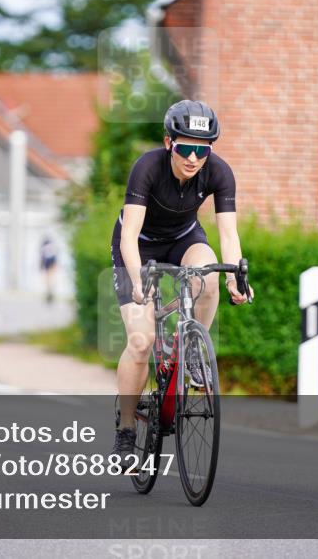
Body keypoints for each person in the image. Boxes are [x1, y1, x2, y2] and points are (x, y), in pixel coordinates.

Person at [110, 100, 253, 459]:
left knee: (208, 275)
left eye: (201, 150)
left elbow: (229, 234)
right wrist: (137, 280)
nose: (192, 158)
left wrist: (234, 278)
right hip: (139, 245)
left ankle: (192, 349)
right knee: (141, 341)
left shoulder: (219, 172)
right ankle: (126, 428)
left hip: (184, 239)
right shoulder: (147, 167)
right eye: (185, 148)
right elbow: (129, 236)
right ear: (168, 143)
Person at [40, 235, 58, 303]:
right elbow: (55, 256)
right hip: (52, 260)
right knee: (51, 276)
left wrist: (41, 265)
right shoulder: (52, 246)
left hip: (47, 262)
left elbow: (42, 257)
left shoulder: (44, 247)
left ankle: (49, 289)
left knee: (48, 277)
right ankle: (51, 289)